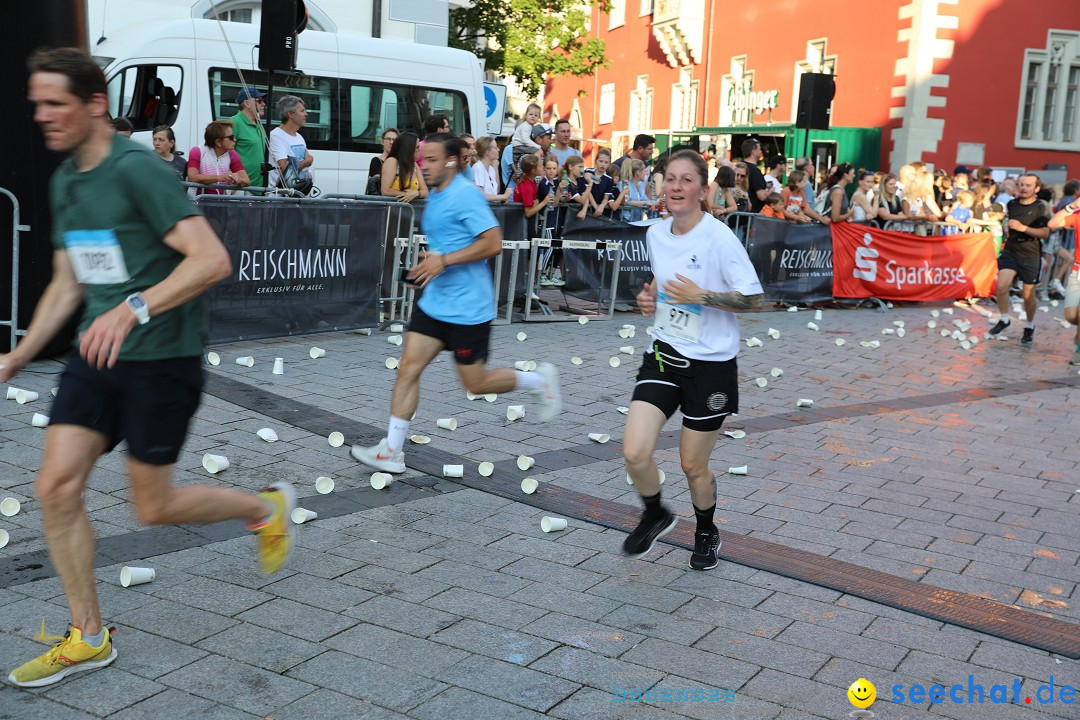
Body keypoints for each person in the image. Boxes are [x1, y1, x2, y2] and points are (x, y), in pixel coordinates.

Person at [4, 47, 294, 688]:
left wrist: (132, 308)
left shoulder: (139, 170)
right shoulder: (66, 180)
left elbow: (210, 260)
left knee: (153, 509)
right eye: (38, 104)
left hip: (161, 357)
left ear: (95, 105)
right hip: (95, 354)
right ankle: (89, 636)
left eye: (56, 104)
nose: (43, 116)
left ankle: (265, 507)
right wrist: (20, 355)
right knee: (54, 487)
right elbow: (66, 277)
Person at [350, 134, 563, 474]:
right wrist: (430, 262)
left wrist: (444, 260)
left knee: (475, 384)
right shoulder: (435, 193)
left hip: (468, 308)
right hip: (435, 303)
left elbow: (493, 243)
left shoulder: (466, 195)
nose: (424, 165)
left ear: (450, 161)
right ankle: (391, 450)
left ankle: (537, 381)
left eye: (431, 160)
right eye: (422, 159)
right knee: (408, 367)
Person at [623, 149, 763, 571]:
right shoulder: (655, 233)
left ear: (703, 190)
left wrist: (700, 296)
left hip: (712, 366)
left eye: (687, 180)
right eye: (670, 179)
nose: (677, 187)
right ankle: (656, 512)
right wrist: (649, 296)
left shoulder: (720, 237)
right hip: (665, 354)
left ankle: (706, 529)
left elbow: (753, 300)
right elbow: (663, 280)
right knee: (634, 452)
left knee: (692, 465)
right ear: (661, 185)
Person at [987, 174, 1051, 345]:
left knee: (1028, 295)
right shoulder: (1012, 203)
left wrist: (1023, 228)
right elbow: (1010, 222)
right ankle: (1004, 318)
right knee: (1001, 285)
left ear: (1036, 189)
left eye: (1028, 185)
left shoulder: (1041, 207)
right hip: (1011, 251)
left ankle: (1029, 326)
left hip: (1030, 254)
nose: (1023, 188)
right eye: (1021, 184)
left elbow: (1045, 233)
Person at [1048, 198, 1080, 364]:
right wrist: (1072, 206)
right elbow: (1053, 224)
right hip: (1078, 270)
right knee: (1071, 316)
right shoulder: (1078, 214)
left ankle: (1079, 351)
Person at [186, 120, 249, 195]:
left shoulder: (232, 154)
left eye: (234, 136)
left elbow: (247, 181)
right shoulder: (197, 151)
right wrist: (221, 178)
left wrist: (238, 179)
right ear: (218, 142)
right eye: (231, 137)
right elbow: (193, 177)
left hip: (221, 202)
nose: (235, 140)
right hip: (198, 202)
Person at [268, 95, 313, 193]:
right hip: (282, 197)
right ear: (290, 114)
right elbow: (285, 169)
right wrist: (307, 161)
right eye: (302, 111)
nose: (306, 114)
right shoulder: (276, 135)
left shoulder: (299, 137)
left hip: (300, 195)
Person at [227, 86, 268, 188]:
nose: (263, 104)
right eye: (259, 101)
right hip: (242, 189)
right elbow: (225, 154)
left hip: (259, 188)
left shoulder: (258, 123)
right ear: (247, 103)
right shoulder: (234, 122)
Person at [381, 131, 428, 203]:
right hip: (393, 209)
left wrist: (416, 193)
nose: (419, 150)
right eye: (417, 147)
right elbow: (385, 190)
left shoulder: (414, 165)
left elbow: (425, 190)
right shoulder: (392, 161)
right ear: (409, 149)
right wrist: (407, 195)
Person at [472, 136, 509, 202]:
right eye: (495, 148)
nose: (498, 149)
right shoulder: (478, 167)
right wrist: (503, 196)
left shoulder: (491, 169)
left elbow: (496, 191)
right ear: (487, 152)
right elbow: (480, 195)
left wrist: (500, 198)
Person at [510, 102, 543, 171]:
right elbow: (525, 140)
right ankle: (539, 169)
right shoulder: (525, 126)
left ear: (538, 118)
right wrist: (538, 147)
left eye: (536, 115)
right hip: (519, 146)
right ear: (525, 115)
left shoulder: (530, 126)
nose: (533, 116)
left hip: (521, 146)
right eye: (530, 114)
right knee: (538, 152)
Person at [740, 138, 769, 213]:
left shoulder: (739, 167)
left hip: (742, 212)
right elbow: (762, 196)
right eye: (759, 149)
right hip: (752, 215)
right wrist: (770, 192)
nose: (761, 151)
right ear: (753, 151)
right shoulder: (755, 171)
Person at [366, 127, 398, 193]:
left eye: (394, 140)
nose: (391, 142)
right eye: (388, 139)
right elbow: (378, 182)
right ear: (382, 141)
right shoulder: (376, 161)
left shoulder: (400, 162)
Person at [589, 148, 617, 217]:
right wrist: (596, 207)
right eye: (601, 161)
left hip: (599, 210)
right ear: (596, 161)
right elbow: (588, 192)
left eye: (606, 162)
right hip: (587, 208)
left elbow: (606, 197)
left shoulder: (609, 179)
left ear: (609, 164)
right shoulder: (588, 172)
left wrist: (601, 206)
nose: (603, 164)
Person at [563, 154, 591, 221]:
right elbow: (582, 200)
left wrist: (584, 211)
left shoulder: (580, 180)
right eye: (580, 167)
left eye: (583, 167)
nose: (582, 170)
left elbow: (586, 197)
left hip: (577, 218)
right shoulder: (566, 182)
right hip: (566, 219)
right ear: (571, 167)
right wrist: (590, 184)